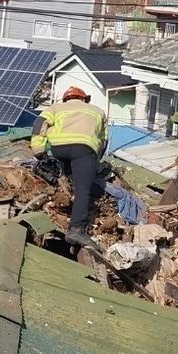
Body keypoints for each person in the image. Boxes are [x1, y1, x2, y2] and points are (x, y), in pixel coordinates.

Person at [30, 86, 108, 247]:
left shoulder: (55, 108)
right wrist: (95, 160)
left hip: (59, 148)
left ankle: (62, 198)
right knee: (83, 189)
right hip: (83, 150)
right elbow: (103, 139)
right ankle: (77, 230)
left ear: (66, 99)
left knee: (66, 177)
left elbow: (39, 123)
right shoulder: (98, 111)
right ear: (84, 99)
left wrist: (39, 150)